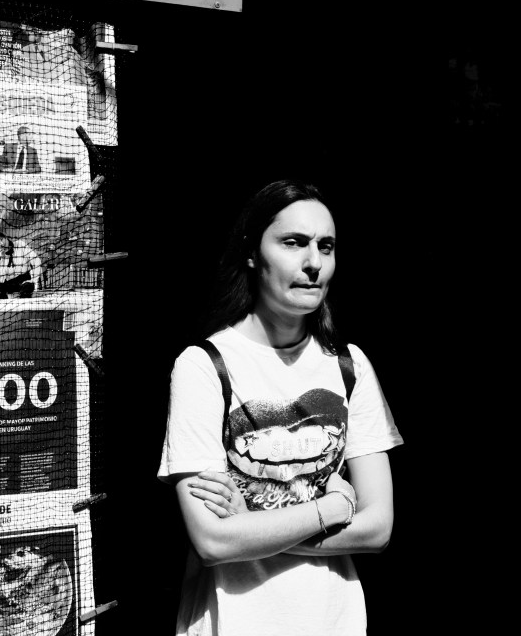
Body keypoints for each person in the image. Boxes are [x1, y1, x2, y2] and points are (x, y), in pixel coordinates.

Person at [157, 179, 402, 636]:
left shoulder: (350, 365)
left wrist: (251, 526)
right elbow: (212, 541)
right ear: (252, 253)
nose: (313, 263)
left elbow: (378, 528)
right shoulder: (204, 365)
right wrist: (333, 507)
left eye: (325, 246)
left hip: (336, 623)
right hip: (231, 622)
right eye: (293, 243)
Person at [0, 231, 41, 298]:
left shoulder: (20, 245)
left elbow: (37, 260)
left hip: (25, 280)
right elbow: (0, 280)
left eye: (1, 239)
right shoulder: (0, 258)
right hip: (11, 282)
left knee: (27, 288)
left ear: (6, 237)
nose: (2, 244)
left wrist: (34, 280)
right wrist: (2, 260)